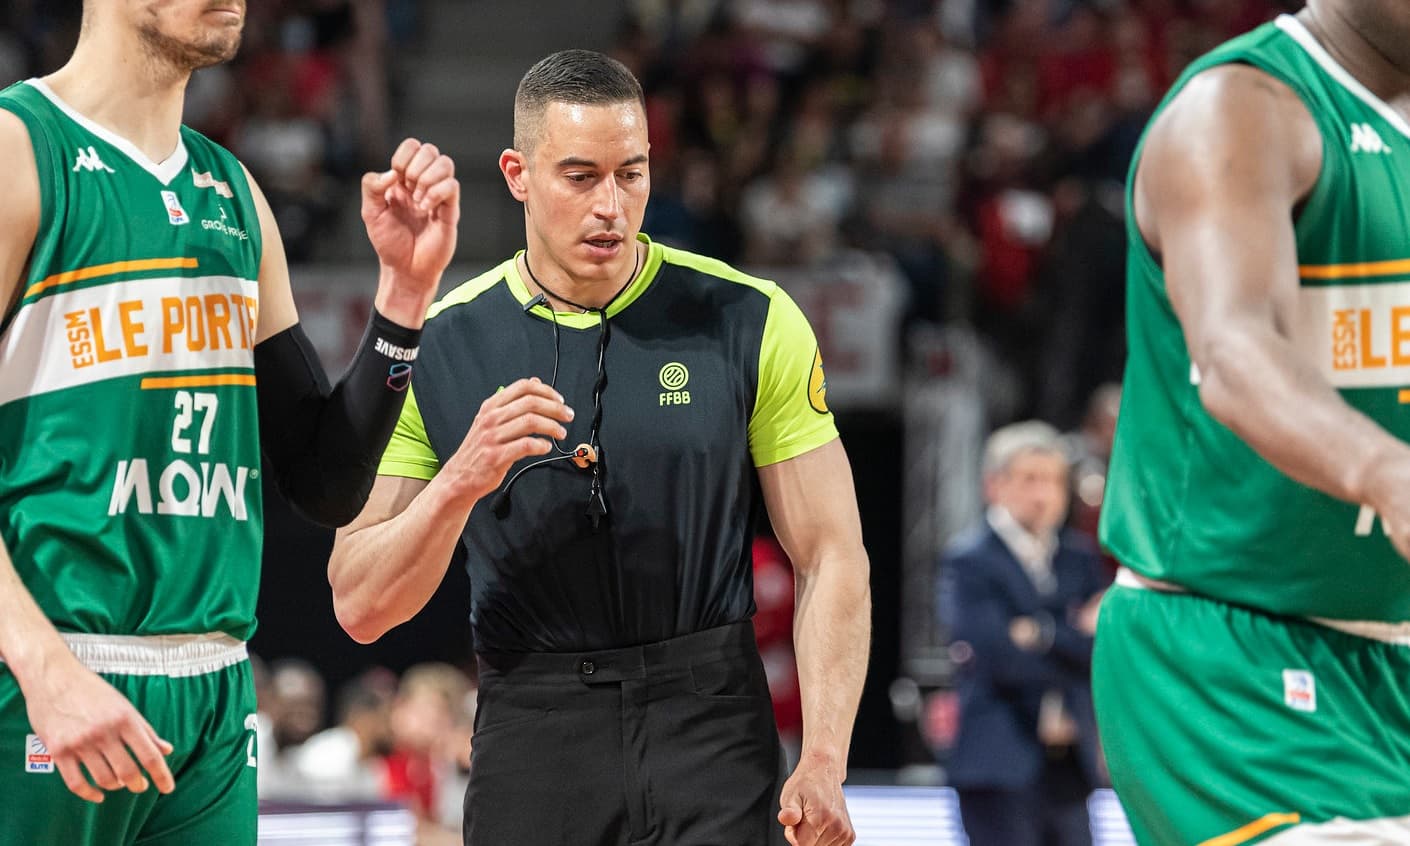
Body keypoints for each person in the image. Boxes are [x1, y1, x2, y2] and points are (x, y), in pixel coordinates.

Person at [328, 49, 872, 846]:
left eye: (632, 174)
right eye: (580, 177)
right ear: (516, 174)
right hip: (536, 731)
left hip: (712, 723)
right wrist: (460, 480)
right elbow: (360, 604)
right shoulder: (440, 346)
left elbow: (832, 553)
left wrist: (824, 756)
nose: (611, 206)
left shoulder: (748, 318)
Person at [0, 1, 460, 844]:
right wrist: (40, 666)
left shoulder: (234, 193)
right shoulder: (19, 150)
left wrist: (402, 299)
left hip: (213, 696)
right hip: (45, 674)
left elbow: (322, 482)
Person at [1095, 3, 1410, 843]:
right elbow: (1235, 354)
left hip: (1392, 650)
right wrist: (1391, 476)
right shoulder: (1240, 107)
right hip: (1233, 653)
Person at [939, 421, 1105, 846]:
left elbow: (1102, 649)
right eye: (1030, 479)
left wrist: (1041, 633)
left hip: (1069, 768)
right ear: (994, 485)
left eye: (1055, 481)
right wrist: (1070, 634)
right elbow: (997, 656)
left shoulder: (1080, 558)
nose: (1044, 494)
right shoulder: (969, 560)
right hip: (998, 764)